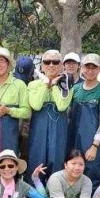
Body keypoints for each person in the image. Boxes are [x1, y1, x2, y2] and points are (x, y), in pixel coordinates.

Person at [27, 49, 74, 182]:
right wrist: (45, 84)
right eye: (47, 62)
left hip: (59, 124)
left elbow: (62, 106)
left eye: (55, 62)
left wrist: (54, 86)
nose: (51, 65)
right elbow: (36, 105)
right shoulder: (33, 84)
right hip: (39, 124)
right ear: (42, 65)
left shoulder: (66, 84)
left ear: (61, 65)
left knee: (57, 157)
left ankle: (55, 196)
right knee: (37, 158)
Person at [68, 54, 100, 186]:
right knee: (72, 175)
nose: (90, 71)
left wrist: (94, 146)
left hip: (92, 144)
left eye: (94, 67)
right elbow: (67, 115)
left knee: (92, 176)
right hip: (73, 141)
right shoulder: (75, 89)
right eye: (87, 67)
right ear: (81, 68)